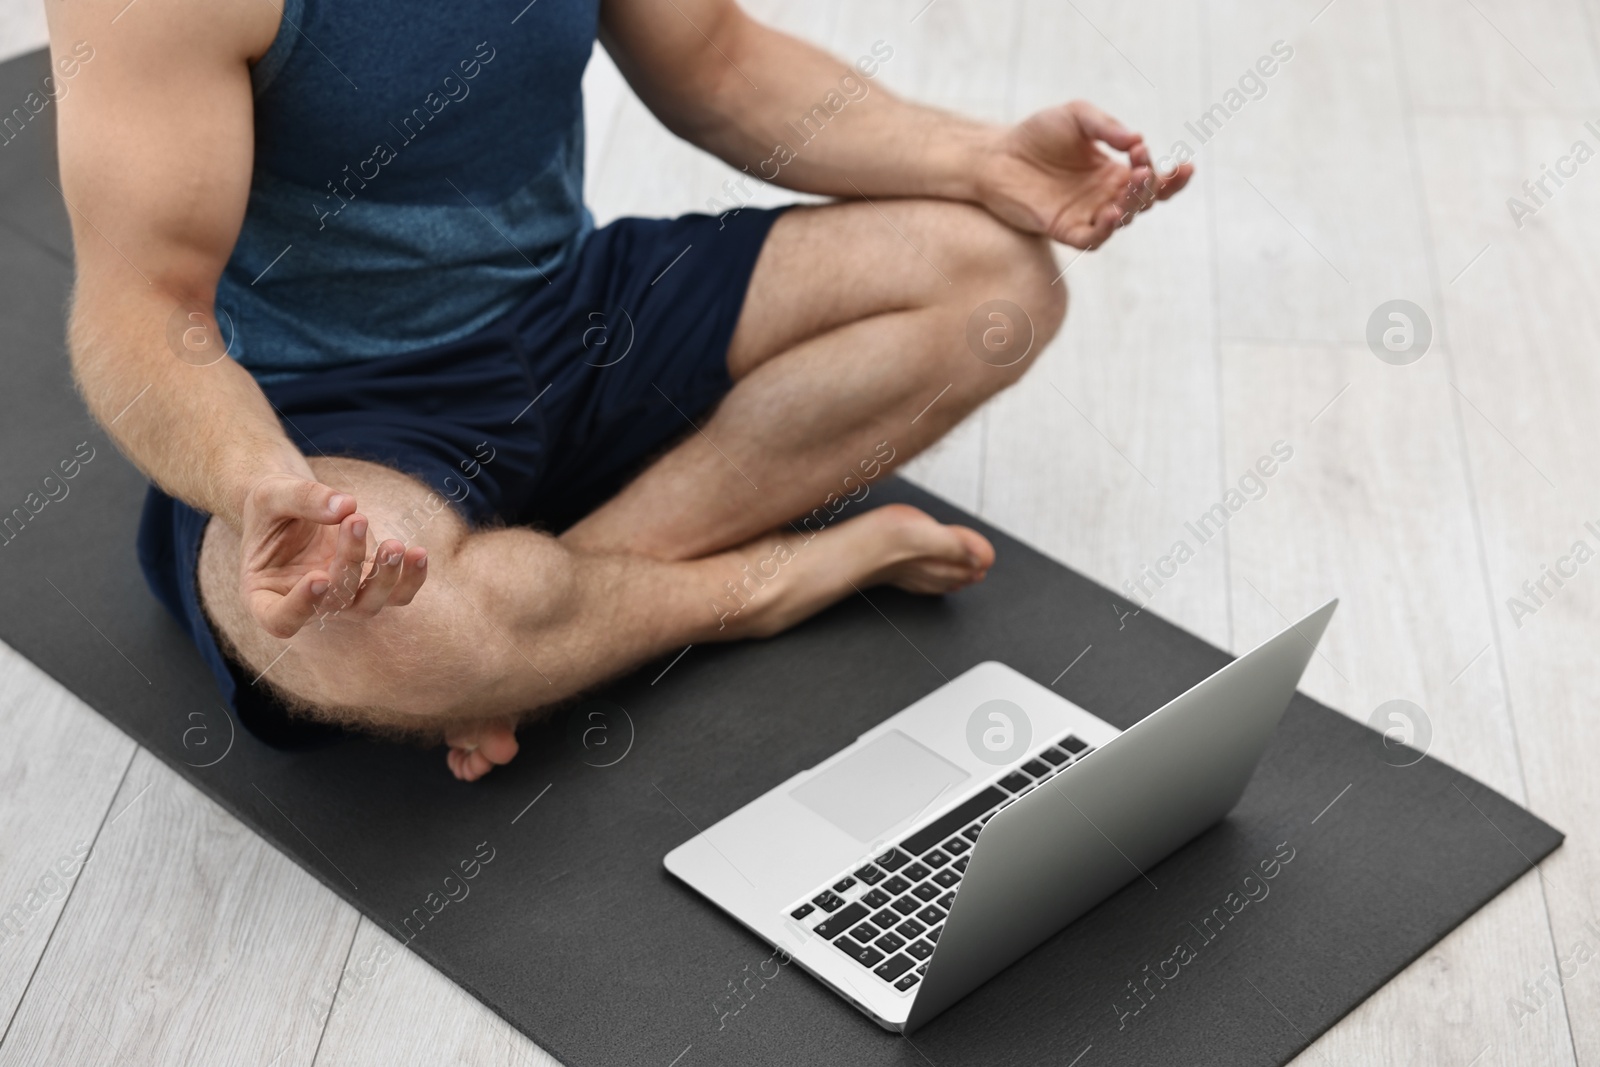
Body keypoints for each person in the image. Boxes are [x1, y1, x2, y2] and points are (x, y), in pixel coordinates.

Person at [50, 0, 1191, 780]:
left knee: (995, 283)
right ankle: (751, 585)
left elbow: (721, 68)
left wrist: (984, 159)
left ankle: (556, 616)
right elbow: (142, 307)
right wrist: (258, 480)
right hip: (328, 415)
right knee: (360, 641)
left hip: (579, 313)